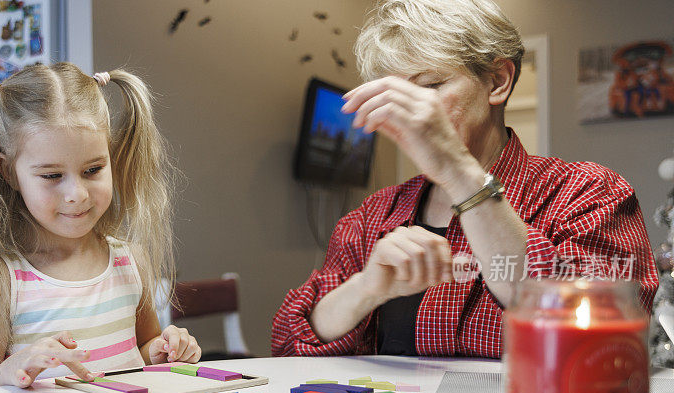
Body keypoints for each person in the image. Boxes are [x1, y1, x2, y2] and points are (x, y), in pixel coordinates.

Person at [272, 0, 658, 357]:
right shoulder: (373, 216)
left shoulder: (589, 193)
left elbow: (607, 340)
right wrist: (365, 289)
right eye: (397, 96)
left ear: (497, 82)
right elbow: (287, 345)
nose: (412, 112)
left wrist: (461, 174)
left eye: (430, 86)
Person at [0, 63, 201, 393]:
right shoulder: (1, 278)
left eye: (93, 169)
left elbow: (143, 348)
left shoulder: (130, 261)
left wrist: (164, 350)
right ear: (8, 173)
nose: (77, 195)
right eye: (51, 176)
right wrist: (8, 370)